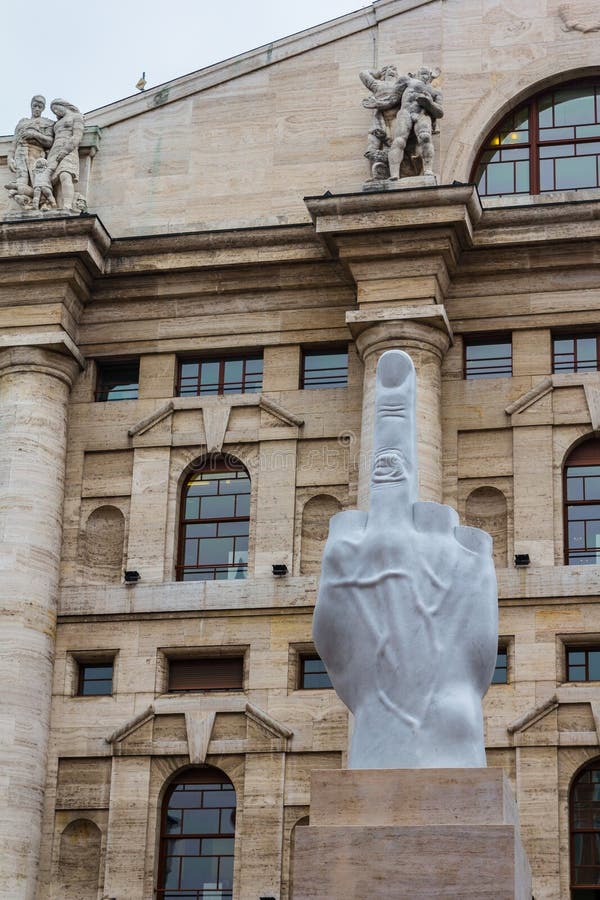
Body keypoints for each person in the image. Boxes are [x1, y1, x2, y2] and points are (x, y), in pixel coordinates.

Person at [362, 66, 443, 179]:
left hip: (422, 114)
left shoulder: (435, 92)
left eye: (426, 74)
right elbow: (393, 99)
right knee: (399, 141)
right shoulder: (407, 80)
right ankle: (394, 174)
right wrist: (378, 104)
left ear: (431, 76)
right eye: (422, 73)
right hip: (405, 113)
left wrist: (429, 104)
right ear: (417, 74)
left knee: (425, 137)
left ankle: (428, 170)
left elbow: (440, 112)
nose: (424, 76)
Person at [4, 95, 54, 207]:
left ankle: (43, 201)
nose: (37, 109)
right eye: (35, 106)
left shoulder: (47, 123)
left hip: (36, 152)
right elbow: (14, 142)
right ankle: (26, 199)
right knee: (21, 178)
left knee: (37, 181)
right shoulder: (22, 122)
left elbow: (50, 142)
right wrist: (10, 157)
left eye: (40, 107)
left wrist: (34, 134)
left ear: (43, 108)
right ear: (31, 106)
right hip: (20, 152)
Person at [46, 99, 85, 210]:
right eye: (53, 111)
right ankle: (53, 205)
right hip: (54, 151)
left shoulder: (77, 117)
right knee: (52, 180)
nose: (56, 112)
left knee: (65, 174)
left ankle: (67, 205)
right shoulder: (56, 123)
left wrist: (65, 150)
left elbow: (77, 136)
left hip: (68, 150)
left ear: (63, 105)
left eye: (56, 108)